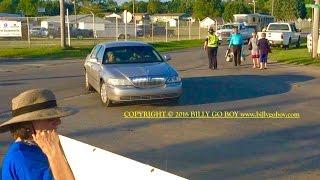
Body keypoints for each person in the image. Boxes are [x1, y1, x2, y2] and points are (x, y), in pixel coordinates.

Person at [1, 89, 77, 180]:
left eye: (57, 117)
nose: (58, 122)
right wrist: (55, 153)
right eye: (50, 118)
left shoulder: (36, 146)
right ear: (26, 125)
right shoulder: (24, 158)